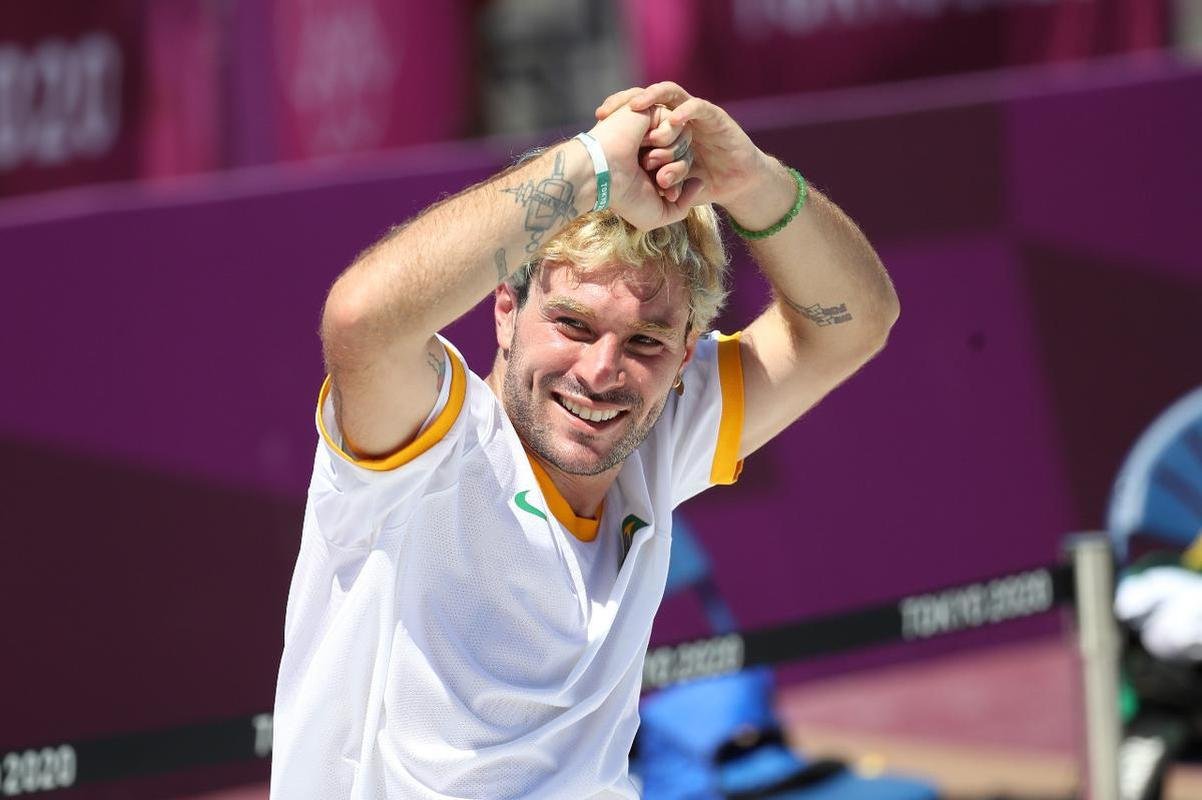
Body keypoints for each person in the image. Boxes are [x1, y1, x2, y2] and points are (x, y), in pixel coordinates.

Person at [269, 82, 899, 799]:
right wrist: (591, 166)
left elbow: (856, 321)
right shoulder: (431, 443)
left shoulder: (660, 425)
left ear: (687, 346)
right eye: (572, 324)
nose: (602, 371)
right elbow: (360, 323)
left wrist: (750, 179)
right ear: (504, 308)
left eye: (645, 340)